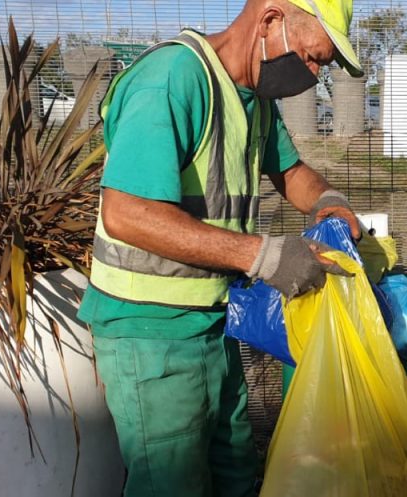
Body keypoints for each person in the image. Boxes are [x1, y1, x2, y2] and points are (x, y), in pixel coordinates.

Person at [77, 0, 364, 494]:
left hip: (214, 321)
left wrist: (329, 203)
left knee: (234, 472)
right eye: (314, 57)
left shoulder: (253, 100)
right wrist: (266, 257)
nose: (314, 74)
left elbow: (291, 173)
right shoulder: (173, 79)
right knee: (171, 485)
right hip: (152, 332)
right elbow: (126, 213)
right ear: (271, 20)